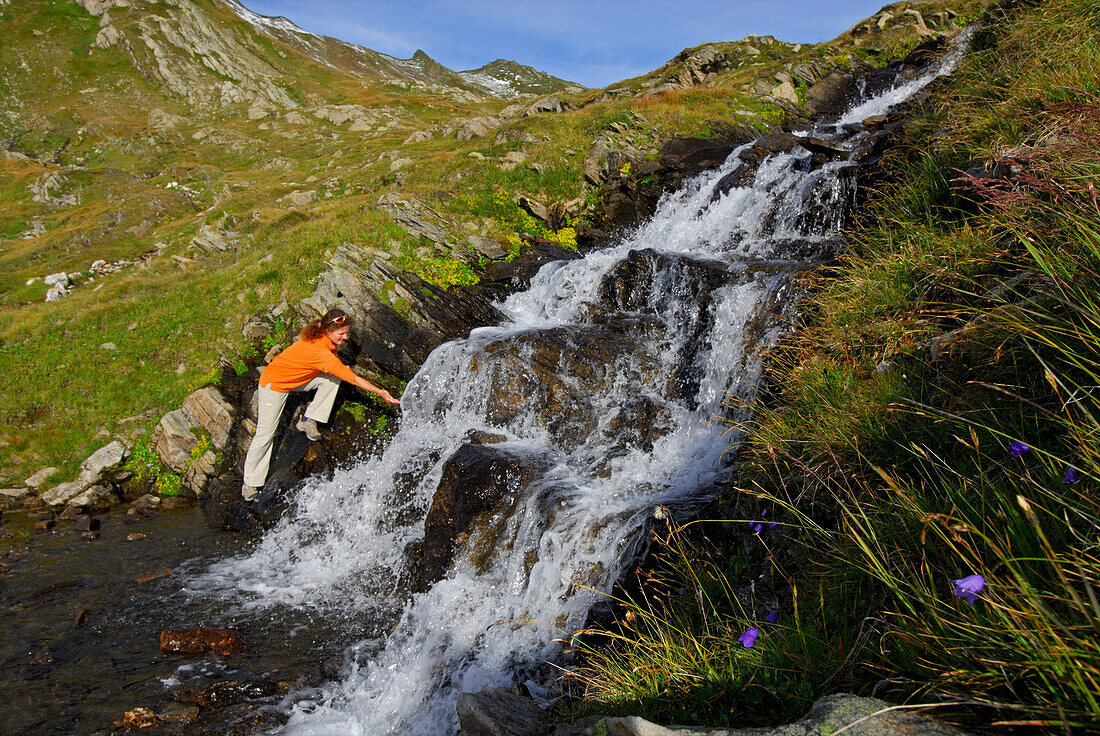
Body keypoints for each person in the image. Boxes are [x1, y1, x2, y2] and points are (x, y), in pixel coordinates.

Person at [241, 308, 399, 500]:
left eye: (346, 332)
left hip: (297, 378)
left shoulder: (319, 328)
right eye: (341, 334)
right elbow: (354, 379)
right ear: (328, 331)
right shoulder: (320, 353)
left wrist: (337, 366)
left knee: (331, 379)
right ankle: (250, 483)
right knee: (266, 435)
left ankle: (309, 418)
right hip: (274, 385)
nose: (345, 337)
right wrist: (380, 392)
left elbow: (332, 364)